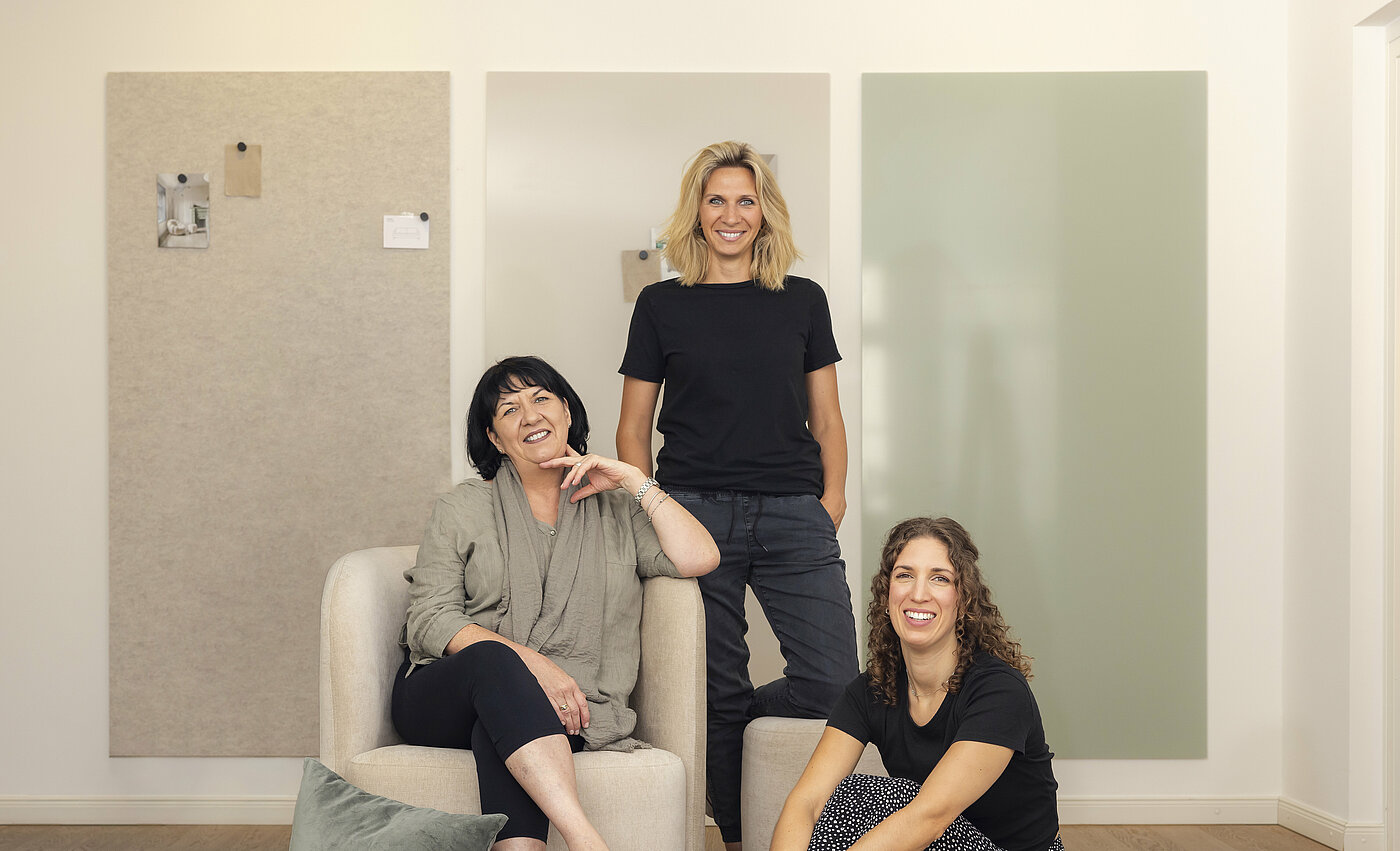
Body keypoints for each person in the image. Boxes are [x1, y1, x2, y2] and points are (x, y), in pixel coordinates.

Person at [617, 140, 860, 849]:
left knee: (833, 683)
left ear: (765, 212)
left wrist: (832, 499)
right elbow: (633, 428)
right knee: (715, 691)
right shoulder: (660, 304)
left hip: (793, 513)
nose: (731, 214)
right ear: (696, 211)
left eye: (746, 200)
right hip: (694, 514)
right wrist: (654, 510)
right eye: (716, 199)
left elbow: (827, 417)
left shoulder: (802, 299)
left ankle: (743, 731)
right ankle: (738, 837)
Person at [394, 356, 720, 851]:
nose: (530, 416)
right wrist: (537, 667)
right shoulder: (462, 507)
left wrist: (634, 480)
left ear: (566, 412)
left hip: (566, 710)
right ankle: (585, 838)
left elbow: (701, 557)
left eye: (541, 399)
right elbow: (429, 617)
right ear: (495, 438)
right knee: (493, 663)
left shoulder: (616, 509)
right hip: (444, 697)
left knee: (500, 724)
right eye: (509, 409)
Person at [771, 517, 1061, 851]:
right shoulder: (871, 690)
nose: (918, 594)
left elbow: (929, 817)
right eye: (905, 575)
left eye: (940, 578)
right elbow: (807, 801)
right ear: (887, 593)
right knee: (842, 796)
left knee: (880, 797)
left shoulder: (999, 691)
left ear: (963, 600)